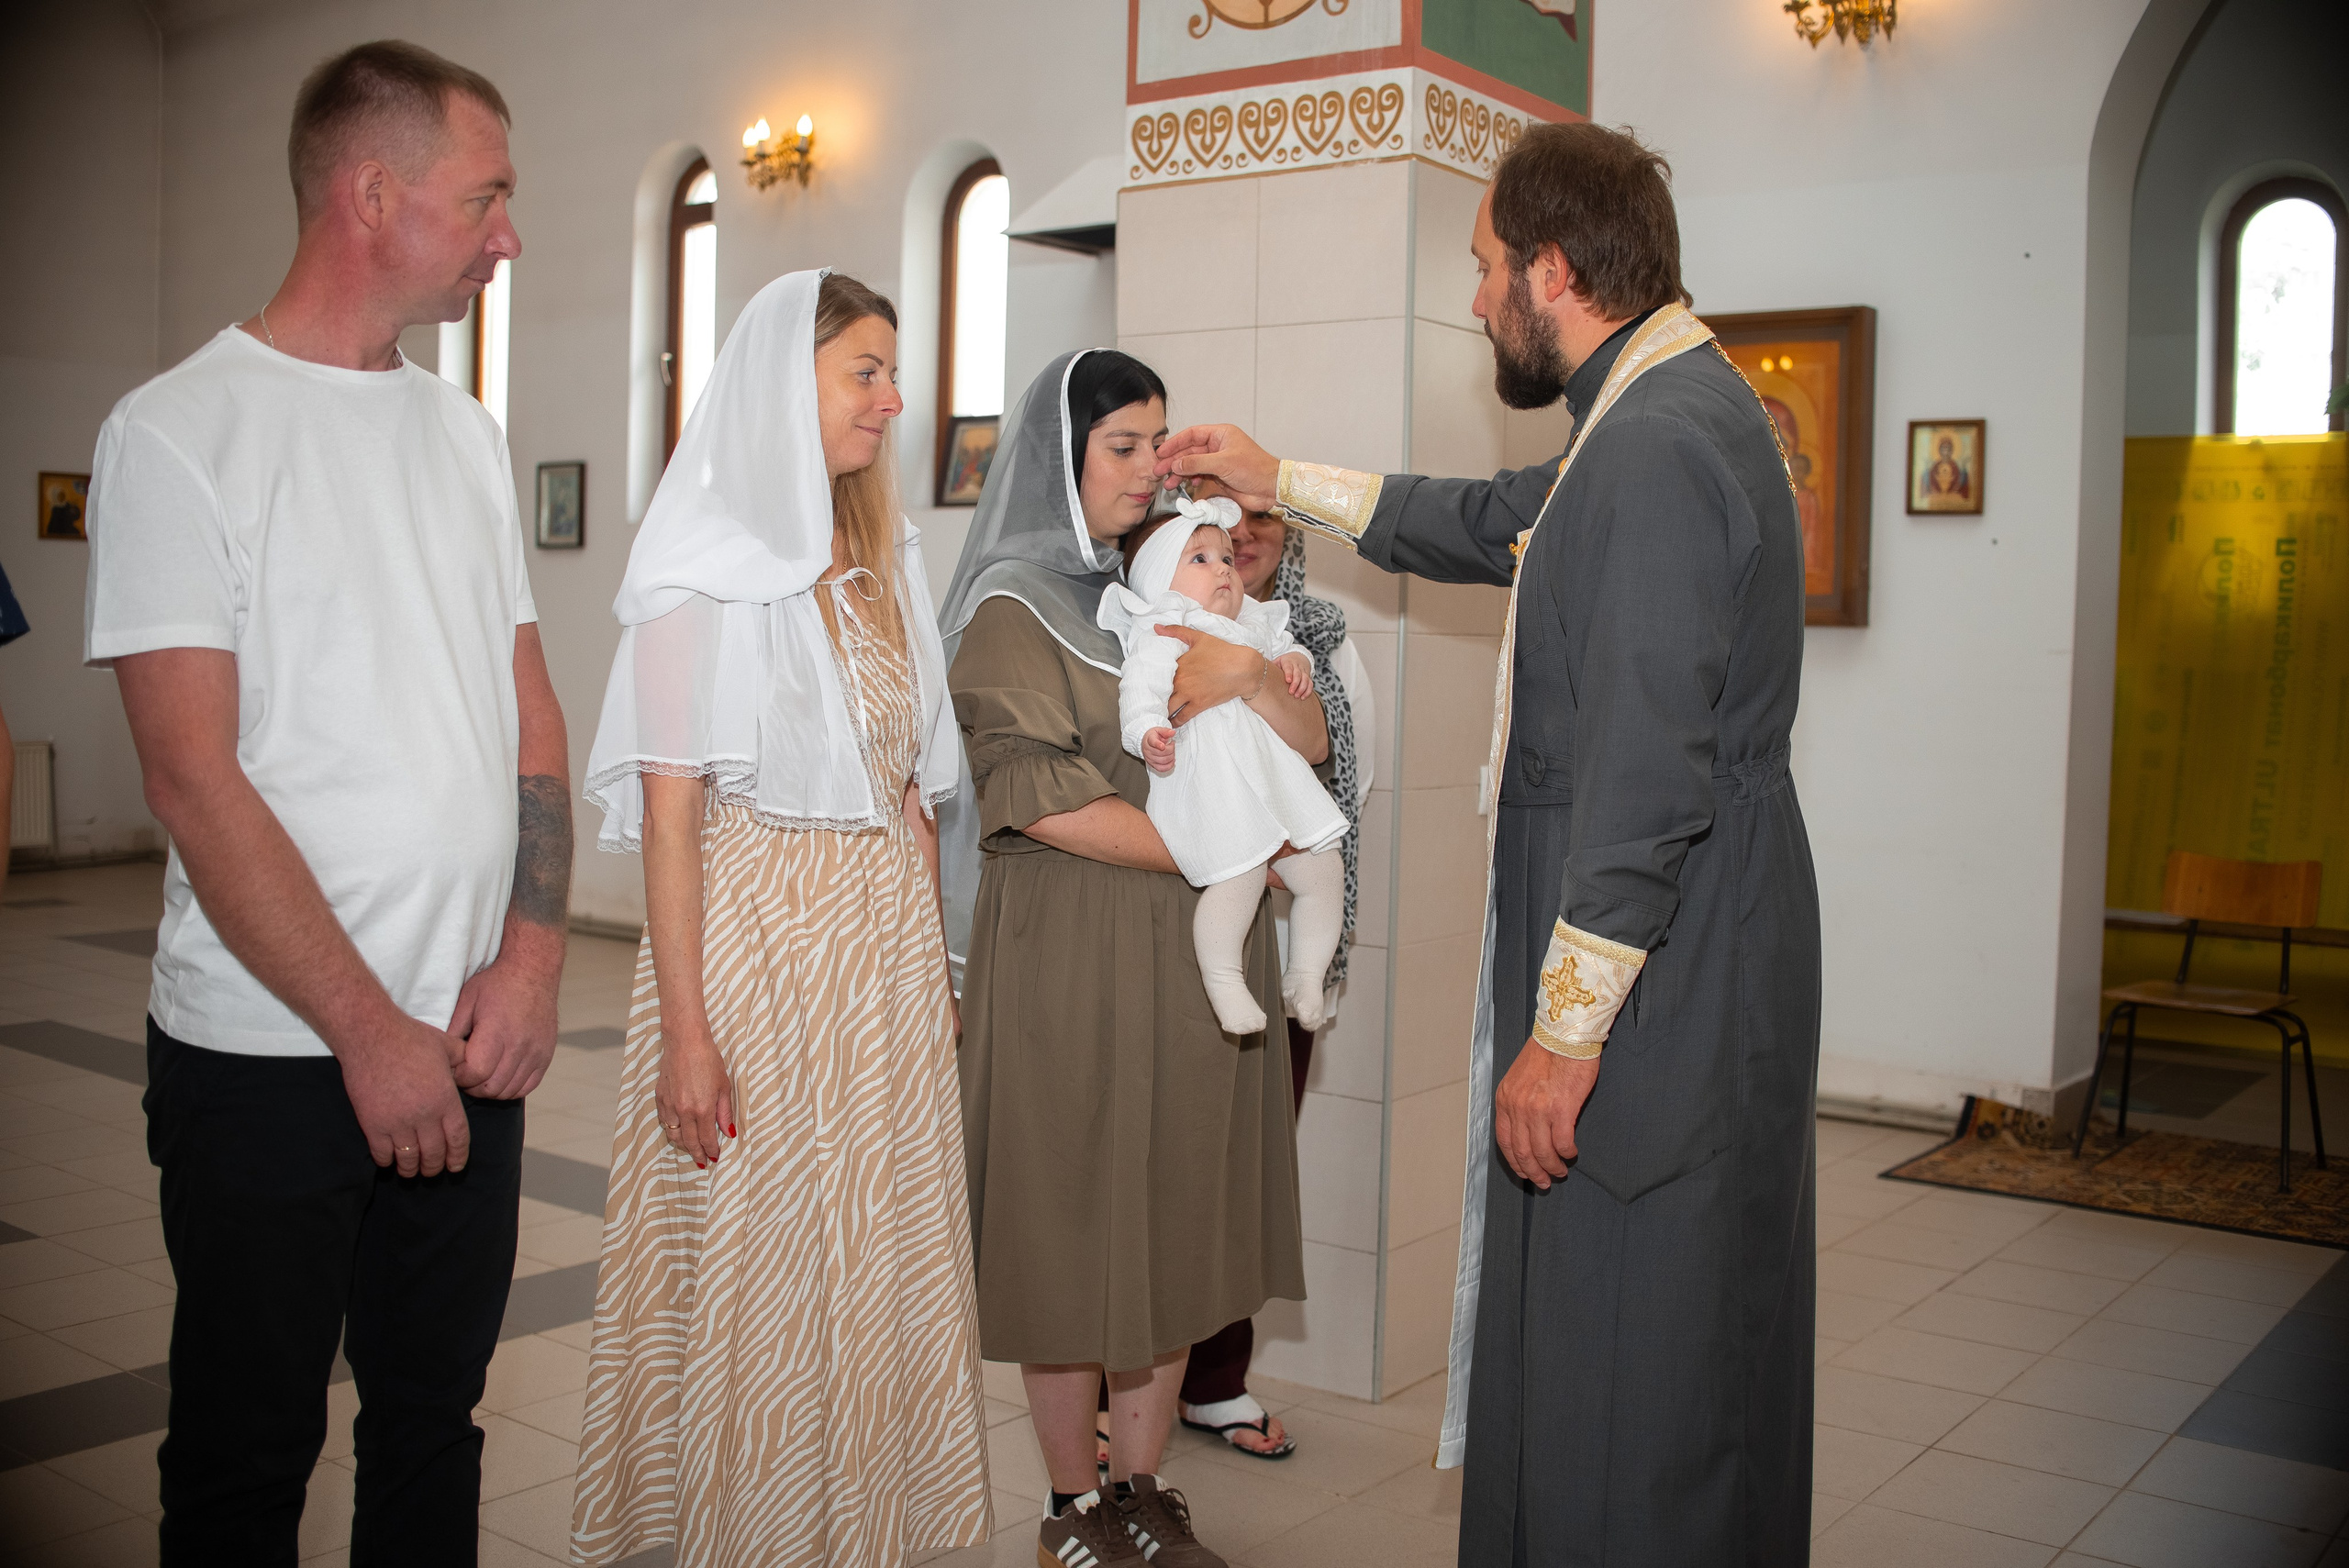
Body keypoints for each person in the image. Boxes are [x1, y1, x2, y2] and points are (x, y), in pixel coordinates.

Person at [1156, 120, 1822, 1565]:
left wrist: (1565, 1036)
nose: (1472, 302)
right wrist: (1286, 476)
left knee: (1635, 1335)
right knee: (1655, 1323)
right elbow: (1485, 522)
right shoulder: (1658, 410)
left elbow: (1650, 778)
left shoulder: (1650, 452)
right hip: (1703, 935)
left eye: (1481, 270)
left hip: (1664, 969)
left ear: (1555, 269)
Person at [83, 41, 565, 1564]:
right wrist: (366, 1028)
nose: (508, 234)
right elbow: (190, 773)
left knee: (432, 1423)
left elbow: (529, 712)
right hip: (273, 1053)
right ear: (372, 193)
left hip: (471, 1032)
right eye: (484, 196)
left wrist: (536, 953)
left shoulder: (463, 435)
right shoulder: (176, 431)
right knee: (247, 1444)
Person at [567, 270, 990, 1568]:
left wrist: (940, 974)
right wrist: (688, 1030)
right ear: (780, 380)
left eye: (892, 371)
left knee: (875, 1260)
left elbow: (913, 792)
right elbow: (678, 812)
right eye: (865, 370)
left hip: (880, 968)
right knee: (769, 1267)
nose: (894, 398)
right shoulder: (696, 567)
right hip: (758, 953)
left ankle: (865, 1529)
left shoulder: (877, 556)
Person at [937, 350, 1319, 1568]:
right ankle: (1073, 1507)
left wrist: (1254, 680)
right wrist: (1222, 852)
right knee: (1070, 1232)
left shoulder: (1165, 588)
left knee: (1165, 1225)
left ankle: (1145, 1488)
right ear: (1060, 454)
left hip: (1184, 958)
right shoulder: (1011, 602)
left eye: (1158, 444)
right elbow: (1037, 796)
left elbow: (1302, 740)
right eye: (1121, 445)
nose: (1148, 470)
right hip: (1071, 951)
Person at [1099, 495, 1349, 1035]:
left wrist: (1294, 662)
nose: (1223, 570)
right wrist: (1146, 732)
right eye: (1200, 559)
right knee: (1240, 876)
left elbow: (1287, 645)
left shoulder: (1251, 621)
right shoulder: (1164, 626)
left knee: (1325, 868)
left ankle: (1306, 973)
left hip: (1268, 778)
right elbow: (1139, 687)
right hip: (1212, 781)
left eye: (1226, 560)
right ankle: (1224, 979)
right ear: (1159, 583)